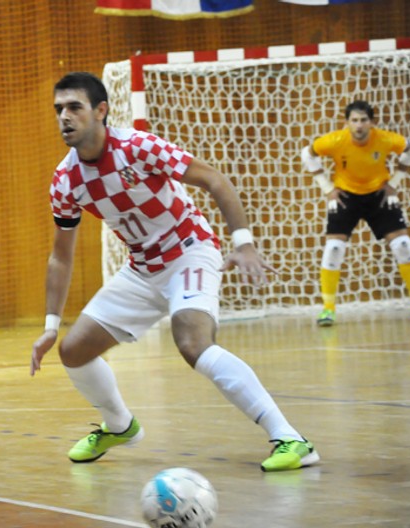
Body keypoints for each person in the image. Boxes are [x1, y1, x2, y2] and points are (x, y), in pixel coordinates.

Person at [30, 72, 318, 473]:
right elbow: (61, 256)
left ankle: (291, 438)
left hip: (189, 252)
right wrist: (50, 324)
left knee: (193, 344)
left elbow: (214, 179)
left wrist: (244, 243)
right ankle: (119, 426)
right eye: (58, 109)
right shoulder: (65, 180)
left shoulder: (138, 146)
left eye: (74, 107)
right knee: (73, 351)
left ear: (100, 110)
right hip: (142, 269)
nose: (64, 116)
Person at [301, 100, 410, 326]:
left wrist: (396, 181)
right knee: (334, 248)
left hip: (379, 195)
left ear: (372, 122)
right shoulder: (335, 140)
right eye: (354, 120)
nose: (359, 125)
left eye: (364, 120)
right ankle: (328, 310)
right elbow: (307, 154)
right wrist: (327, 188)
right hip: (345, 196)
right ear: (346, 123)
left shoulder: (385, 139)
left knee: (403, 245)